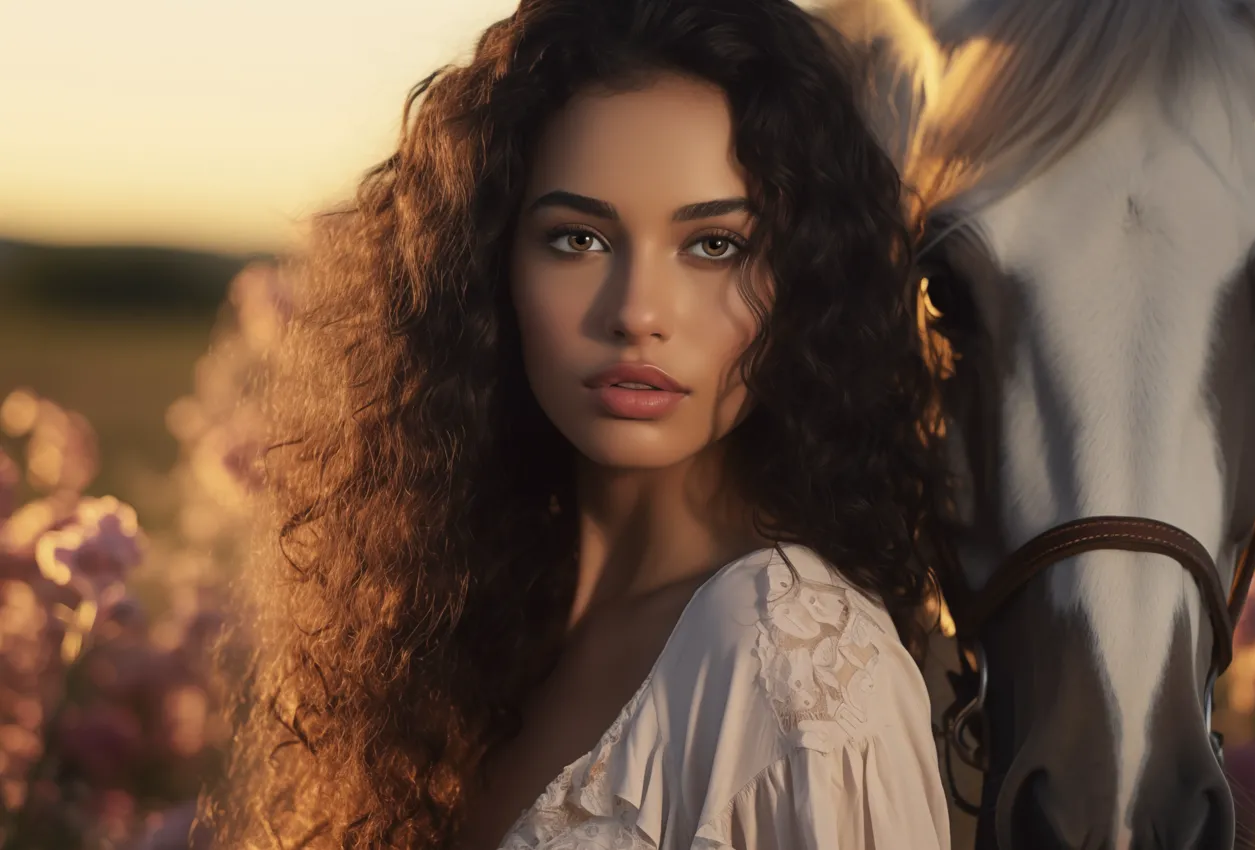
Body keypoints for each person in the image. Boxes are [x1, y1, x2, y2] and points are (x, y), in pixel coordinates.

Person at [197, 0, 953, 847]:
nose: (637, 313)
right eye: (578, 239)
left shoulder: (798, 661)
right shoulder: (473, 626)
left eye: (714, 246)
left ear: (805, 281)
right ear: (488, 268)